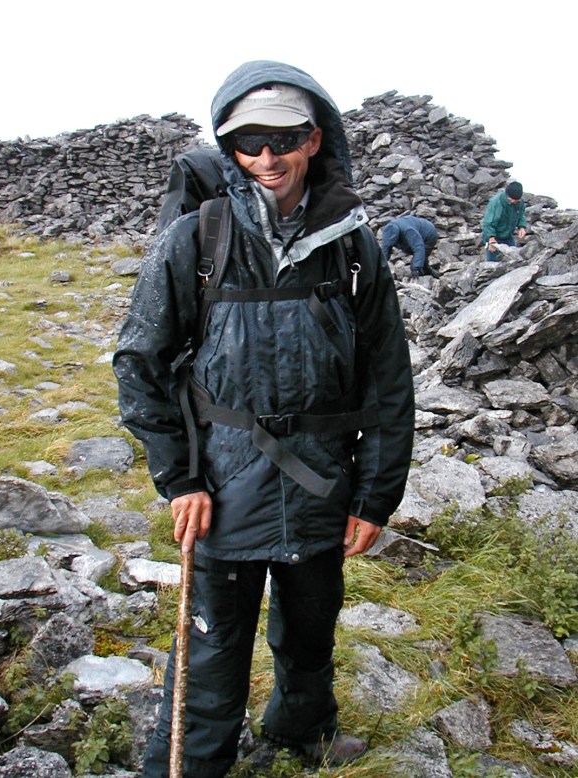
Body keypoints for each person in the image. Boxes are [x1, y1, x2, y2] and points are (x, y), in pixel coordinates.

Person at [113, 60, 414, 778]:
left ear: (315, 139)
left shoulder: (353, 249)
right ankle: (193, 765)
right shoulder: (196, 240)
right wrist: (180, 480)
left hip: (321, 484)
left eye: (284, 138)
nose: (267, 157)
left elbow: (387, 382)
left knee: (311, 628)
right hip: (220, 486)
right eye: (248, 141)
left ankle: (302, 729)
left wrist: (375, 496)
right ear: (229, 147)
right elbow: (140, 363)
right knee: (212, 645)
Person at [481, 181, 527, 261]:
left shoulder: (520, 203)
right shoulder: (496, 203)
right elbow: (488, 223)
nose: (513, 201)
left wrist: (522, 227)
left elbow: (521, 215)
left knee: (513, 259)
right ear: (507, 194)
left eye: (516, 200)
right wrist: (491, 239)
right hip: (494, 235)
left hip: (507, 235)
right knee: (493, 262)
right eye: (511, 199)